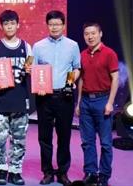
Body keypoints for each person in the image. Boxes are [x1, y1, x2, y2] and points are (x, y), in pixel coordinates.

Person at [32, 10, 80, 186]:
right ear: (47, 25)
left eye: (58, 24)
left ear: (63, 25)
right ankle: (47, 172)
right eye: (51, 24)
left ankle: (62, 172)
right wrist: (38, 85)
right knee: (44, 137)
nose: (54, 27)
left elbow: (77, 68)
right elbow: (34, 70)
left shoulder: (73, 45)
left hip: (64, 96)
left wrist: (71, 80)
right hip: (44, 97)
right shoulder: (38, 46)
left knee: (64, 136)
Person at [0, 10, 32, 186]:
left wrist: (29, 70)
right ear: (1, 26)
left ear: (18, 25)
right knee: (0, 139)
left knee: (19, 139)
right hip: (0, 100)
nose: (10, 27)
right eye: (6, 24)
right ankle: (1, 170)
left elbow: (30, 68)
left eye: (12, 23)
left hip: (20, 99)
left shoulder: (26, 47)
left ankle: (15, 171)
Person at [76, 23, 119, 186]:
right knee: (87, 141)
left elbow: (115, 78)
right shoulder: (82, 54)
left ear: (100, 34)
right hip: (86, 101)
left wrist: (110, 103)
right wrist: (79, 103)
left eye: (93, 33)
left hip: (103, 100)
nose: (90, 36)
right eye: (87, 34)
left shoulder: (109, 53)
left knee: (106, 143)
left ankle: (104, 175)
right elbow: (81, 79)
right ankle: (90, 173)